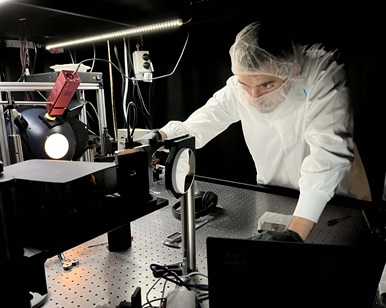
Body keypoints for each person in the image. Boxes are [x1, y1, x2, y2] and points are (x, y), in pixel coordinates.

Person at [133, 21, 371, 242]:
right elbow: (198, 124)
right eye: (246, 84)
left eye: (267, 84)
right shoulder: (240, 87)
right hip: (276, 197)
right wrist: (160, 136)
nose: (254, 96)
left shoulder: (322, 71)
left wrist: (295, 234)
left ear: (292, 71)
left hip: (338, 203)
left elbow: (328, 156)